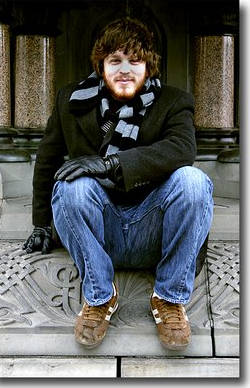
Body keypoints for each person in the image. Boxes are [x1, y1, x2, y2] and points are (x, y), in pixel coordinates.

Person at [23, 17, 214, 351]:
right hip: (100, 230)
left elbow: (182, 149)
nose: (124, 69)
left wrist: (109, 163)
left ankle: (169, 298)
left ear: (148, 66)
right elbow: (48, 160)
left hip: (153, 227)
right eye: (115, 60)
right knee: (72, 185)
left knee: (194, 181)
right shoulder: (70, 100)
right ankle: (99, 296)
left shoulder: (173, 101)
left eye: (134, 61)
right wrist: (41, 223)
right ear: (102, 64)